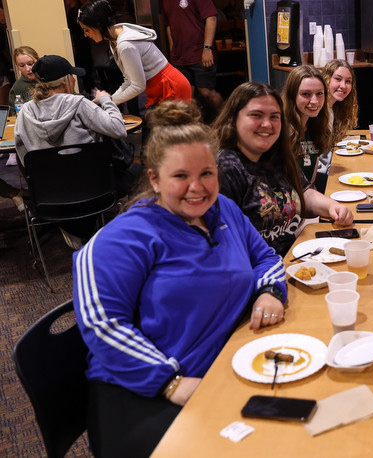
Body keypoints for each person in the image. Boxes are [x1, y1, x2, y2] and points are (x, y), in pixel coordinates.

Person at [73, 100, 287, 457]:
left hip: (219, 367)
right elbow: (102, 324)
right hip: (144, 390)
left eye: (206, 173)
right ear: (154, 178)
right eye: (180, 176)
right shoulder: (126, 237)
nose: (197, 187)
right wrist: (171, 383)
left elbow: (265, 257)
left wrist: (268, 292)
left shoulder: (224, 210)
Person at [214, 82, 353, 256]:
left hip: (290, 256)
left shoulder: (277, 155)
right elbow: (223, 244)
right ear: (233, 119)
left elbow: (304, 194)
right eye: (256, 115)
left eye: (274, 116)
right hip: (258, 271)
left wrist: (333, 207)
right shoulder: (225, 168)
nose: (267, 124)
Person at [14, 55, 133, 248]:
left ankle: (74, 227)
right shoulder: (79, 104)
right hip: (95, 189)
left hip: (50, 195)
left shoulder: (25, 112)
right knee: (134, 173)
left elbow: (23, 156)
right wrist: (105, 101)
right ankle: (120, 231)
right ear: (66, 80)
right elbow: (118, 129)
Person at [77, 0, 191, 107]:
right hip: (160, 85)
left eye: (87, 29)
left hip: (169, 86)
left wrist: (108, 102)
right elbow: (129, 80)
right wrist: (108, 100)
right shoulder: (114, 39)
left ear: (98, 25)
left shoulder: (125, 44)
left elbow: (138, 86)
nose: (85, 35)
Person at [162, 0, 224, 115]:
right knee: (186, 96)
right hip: (179, 57)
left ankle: (226, 119)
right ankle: (195, 127)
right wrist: (172, 49)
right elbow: (169, 25)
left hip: (200, 53)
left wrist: (207, 48)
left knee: (206, 92)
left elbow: (211, 18)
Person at [282, 65, 331, 191]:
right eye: (306, 94)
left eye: (319, 93)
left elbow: (311, 185)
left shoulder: (317, 127)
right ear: (292, 96)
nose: (314, 101)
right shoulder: (280, 130)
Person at [321, 59, 358, 189]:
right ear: (326, 79)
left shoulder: (332, 109)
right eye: (338, 79)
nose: (343, 85)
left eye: (348, 81)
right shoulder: (318, 110)